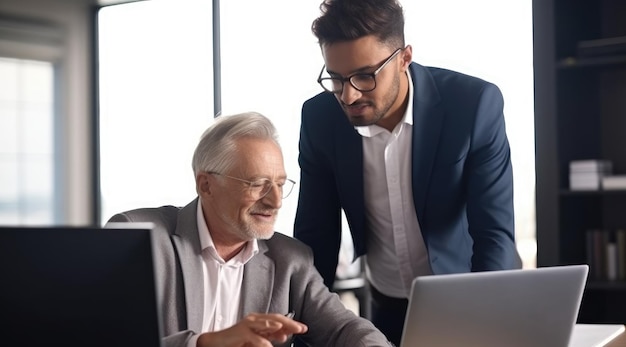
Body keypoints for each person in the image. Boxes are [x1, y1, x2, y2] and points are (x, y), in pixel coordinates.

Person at [293, 0, 521, 345]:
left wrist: (485, 321)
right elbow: (315, 236)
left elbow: (494, 236)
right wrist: (301, 332)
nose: (349, 95)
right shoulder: (320, 119)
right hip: (385, 305)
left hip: (467, 299)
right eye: (336, 79)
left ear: (404, 58)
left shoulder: (474, 106)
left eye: (365, 76)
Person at [106, 112, 392, 347]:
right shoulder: (138, 237)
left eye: (280, 184)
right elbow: (107, 337)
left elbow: (344, 328)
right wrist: (206, 344)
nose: (275, 201)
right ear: (206, 185)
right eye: (257, 184)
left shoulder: (290, 259)